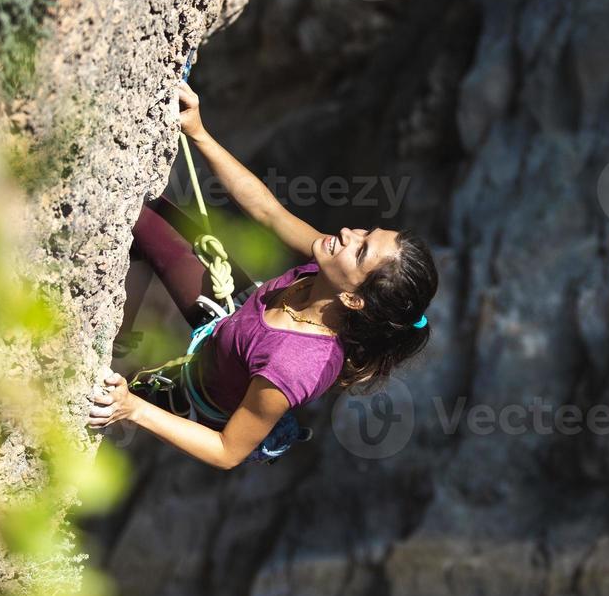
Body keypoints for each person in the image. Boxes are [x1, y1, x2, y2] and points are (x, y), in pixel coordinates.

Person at [86, 80, 438, 469]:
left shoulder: (294, 365)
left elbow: (226, 451)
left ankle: (104, 359)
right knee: (143, 213)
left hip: (198, 392)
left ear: (355, 299)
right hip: (230, 319)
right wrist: (199, 132)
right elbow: (269, 212)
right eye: (366, 232)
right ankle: (111, 337)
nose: (348, 234)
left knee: (94, 398)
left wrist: (131, 409)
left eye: (361, 250)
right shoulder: (330, 268)